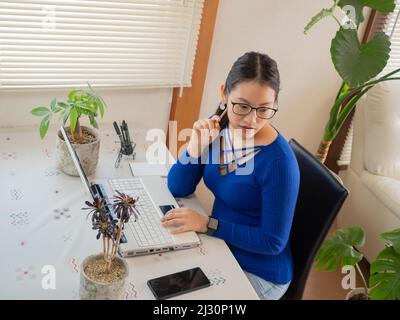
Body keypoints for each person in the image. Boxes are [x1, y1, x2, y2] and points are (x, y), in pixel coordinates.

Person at [162, 51, 300, 300]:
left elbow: (272, 242)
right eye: (242, 106)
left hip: (259, 272)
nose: (251, 119)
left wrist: (208, 224)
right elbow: (177, 187)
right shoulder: (218, 126)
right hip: (220, 245)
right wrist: (195, 146)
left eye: (264, 109)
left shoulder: (280, 163)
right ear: (224, 93)